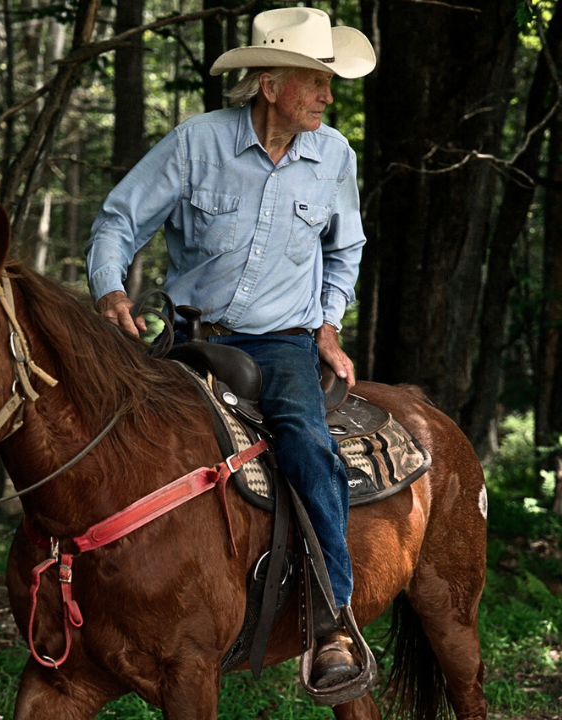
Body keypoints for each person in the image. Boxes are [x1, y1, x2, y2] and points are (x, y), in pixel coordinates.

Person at [84, 7, 373, 692]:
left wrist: (328, 322)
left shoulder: (334, 156)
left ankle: (333, 621)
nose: (327, 97)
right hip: (190, 342)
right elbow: (119, 220)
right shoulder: (196, 143)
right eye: (316, 81)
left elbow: (347, 249)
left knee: (305, 441)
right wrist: (107, 291)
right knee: (117, 443)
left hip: (281, 344)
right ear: (270, 84)